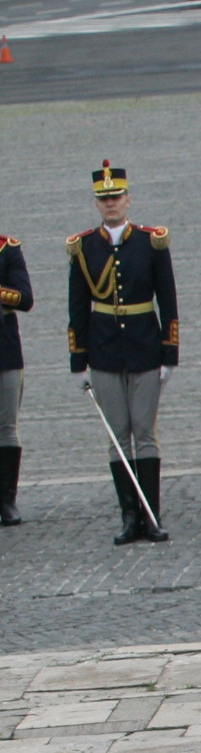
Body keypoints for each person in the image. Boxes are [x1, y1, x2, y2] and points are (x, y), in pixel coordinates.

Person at [67, 161, 177, 544]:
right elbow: (78, 307)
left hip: (146, 346)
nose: (110, 204)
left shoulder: (151, 241)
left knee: (144, 432)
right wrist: (77, 359)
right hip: (105, 350)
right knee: (117, 435)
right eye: (104, 199)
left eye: (116, 197)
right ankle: (129, 516)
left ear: (128, 199)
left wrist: (170, 352)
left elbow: (168, 300)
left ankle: (151, 513)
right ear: (97, 204)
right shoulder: (84, 247)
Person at [0, 219, 25, 528]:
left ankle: (6, 499)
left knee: (6, 425)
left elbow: (24, 297)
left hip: (4, 349)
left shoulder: (7, 249)